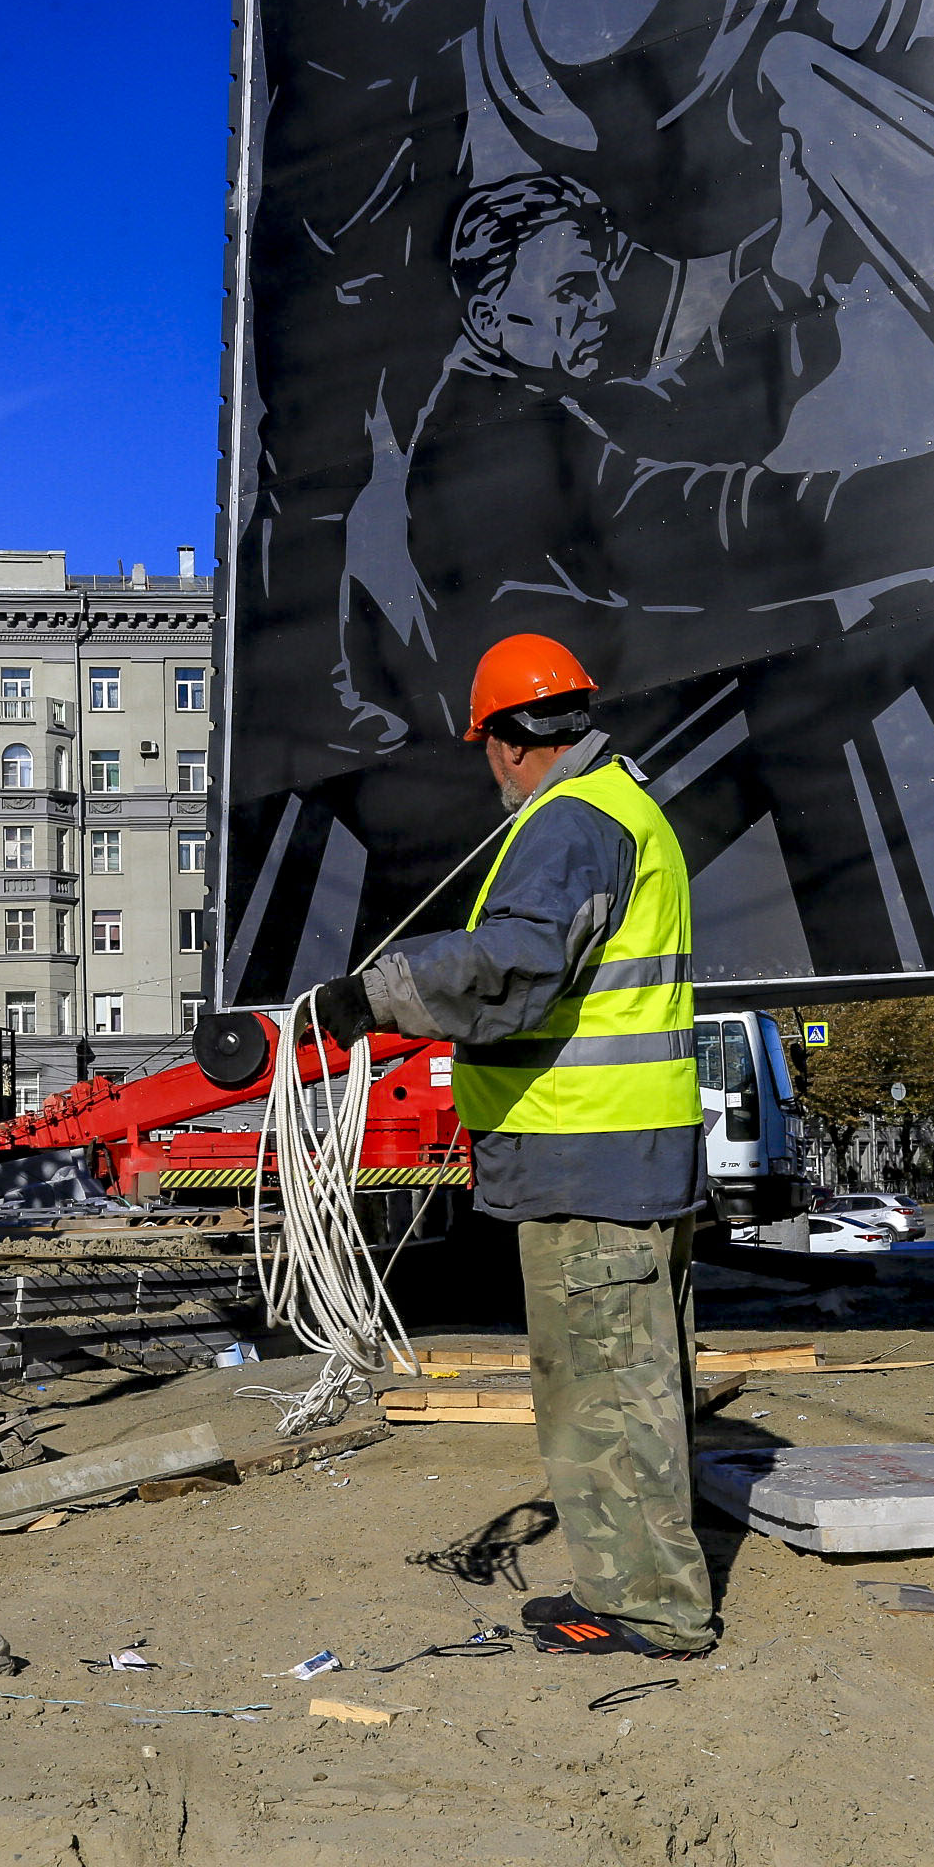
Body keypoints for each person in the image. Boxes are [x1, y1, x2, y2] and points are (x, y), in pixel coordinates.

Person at [309, 634, 714, 1660]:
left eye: (483, 744)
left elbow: (520, 965)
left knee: (604, 1396)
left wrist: (376, 995)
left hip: (590, 1164)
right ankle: (638, 1586)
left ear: (504, 741)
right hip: (624, 1159)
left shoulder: (570, 820)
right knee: (630, 1387)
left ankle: (652, 1609)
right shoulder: (625, 805)